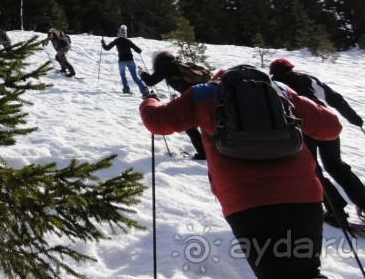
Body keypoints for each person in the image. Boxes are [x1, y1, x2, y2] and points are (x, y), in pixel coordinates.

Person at [140, 66, 342, 279]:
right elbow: (332, 127)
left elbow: (157, 121)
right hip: (303, 196)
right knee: (308, 271)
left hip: (245, 201)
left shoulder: (203, 94)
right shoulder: (280, 90)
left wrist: (149, 100)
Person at [270, 57, 365, 226]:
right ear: (291, 68)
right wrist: (354, 119)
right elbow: (335, 99)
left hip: (303, 128)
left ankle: (336, 211)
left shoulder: (274, 86)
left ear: (273, 73)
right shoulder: (307, 78)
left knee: (313, 170)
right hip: (327, 122)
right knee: (336, 166)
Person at [140, 50, 207, 160]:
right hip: (203, 94)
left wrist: (142, 73)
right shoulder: (177, 63)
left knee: (189, 126)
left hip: (193, 97)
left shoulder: (165, 65)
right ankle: (210, 150)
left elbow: (150, 81)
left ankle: (203, 153)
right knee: (204, 124)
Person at [101, 25, 147, 95]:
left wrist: (103, 43)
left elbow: (107, 48)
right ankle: (144, 90)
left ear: (119, 32)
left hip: (121, 61)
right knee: (134, 77)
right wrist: (137, 51)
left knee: (123, 75)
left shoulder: (117, 40)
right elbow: (139, 50)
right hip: (130, 60)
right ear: (125, 33)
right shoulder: (128, 41)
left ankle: (126, 88)